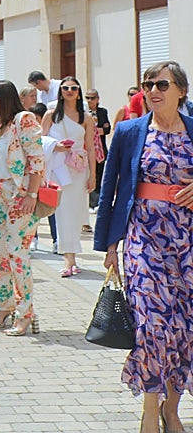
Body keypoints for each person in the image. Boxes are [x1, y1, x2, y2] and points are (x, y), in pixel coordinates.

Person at [96, 61, 193, 433]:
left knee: (183, 329)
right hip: (143, 240)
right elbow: (110, 190)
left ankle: (173, 408)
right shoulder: (130, 131)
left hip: (186, 242)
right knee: (152, 327)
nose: (153, 90)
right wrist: (108, 244)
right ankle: (151, 409)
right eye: (148, 84)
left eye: (162, 84)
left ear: (181, 91)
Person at [0, 81, 44, 336]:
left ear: (2, 99)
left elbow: (37, 161)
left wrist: (31, 194)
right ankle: (5, 306)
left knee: (18, 254)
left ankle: (25, 312)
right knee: (2, 255)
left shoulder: (23, 120)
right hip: (0, 195)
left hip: (21, 196)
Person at [41, 76, 97, 277]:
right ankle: (68, 257)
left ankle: (72, 254)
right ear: (61, 91)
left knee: (75, 212)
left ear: (79, 91)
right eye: (66, 88)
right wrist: (54, 146)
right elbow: (39, 141)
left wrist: (93, 176)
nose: (70, 91)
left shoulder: (86, 117)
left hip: (79, 169)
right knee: (62, 211)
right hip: (57, 168)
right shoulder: (51, 115)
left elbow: (90, 148)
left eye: (74, 87)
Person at [87, 89, 111, 209]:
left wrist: (97, 131)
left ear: (97, 99)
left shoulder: (102, 112)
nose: (90, 100)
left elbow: (106, 128)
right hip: (86, 150)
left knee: (98, 175)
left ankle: (96, 202)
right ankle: (89, 202)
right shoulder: (83, 113)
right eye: (88, 98)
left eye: (92, 98)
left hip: (100, 149)